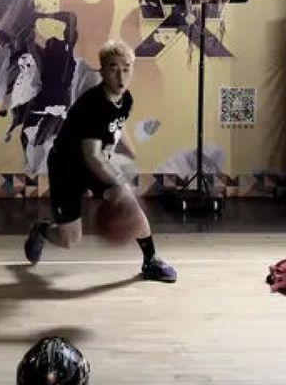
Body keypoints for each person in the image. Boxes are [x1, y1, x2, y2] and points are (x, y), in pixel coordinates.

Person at [24, 40, 177, 282]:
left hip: (94, 162)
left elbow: (116, 127)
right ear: (103, 71)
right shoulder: (93, 105)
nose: (121, 76)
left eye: (126, 69)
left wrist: (131, 155)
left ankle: (151, 259)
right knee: (69, 239)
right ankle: (41, 229)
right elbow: (92, 155)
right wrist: (119, 180)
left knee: (127, 201)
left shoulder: (125, 99)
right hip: (67, 168)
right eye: (114, 69)